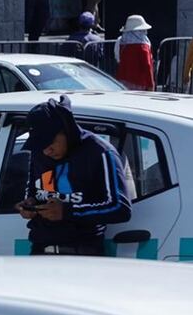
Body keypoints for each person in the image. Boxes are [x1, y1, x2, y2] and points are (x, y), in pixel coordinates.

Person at [16, 95, 131, 256]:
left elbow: (121, 209)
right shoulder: (40, 153)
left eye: (49, 143)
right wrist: (29, 204)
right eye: (40, 146)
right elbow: (35, 191)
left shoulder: (100, 152)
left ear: (66, 129)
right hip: (40, 252)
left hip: (82, 256)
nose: (46, 151)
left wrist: (67, 211)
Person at [115, 15, 155, 91]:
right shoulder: (143, 46)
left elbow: (118, 58)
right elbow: (147, 65)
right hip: (139, 82)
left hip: (122, 80)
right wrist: (151, 84)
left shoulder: (121, 42)